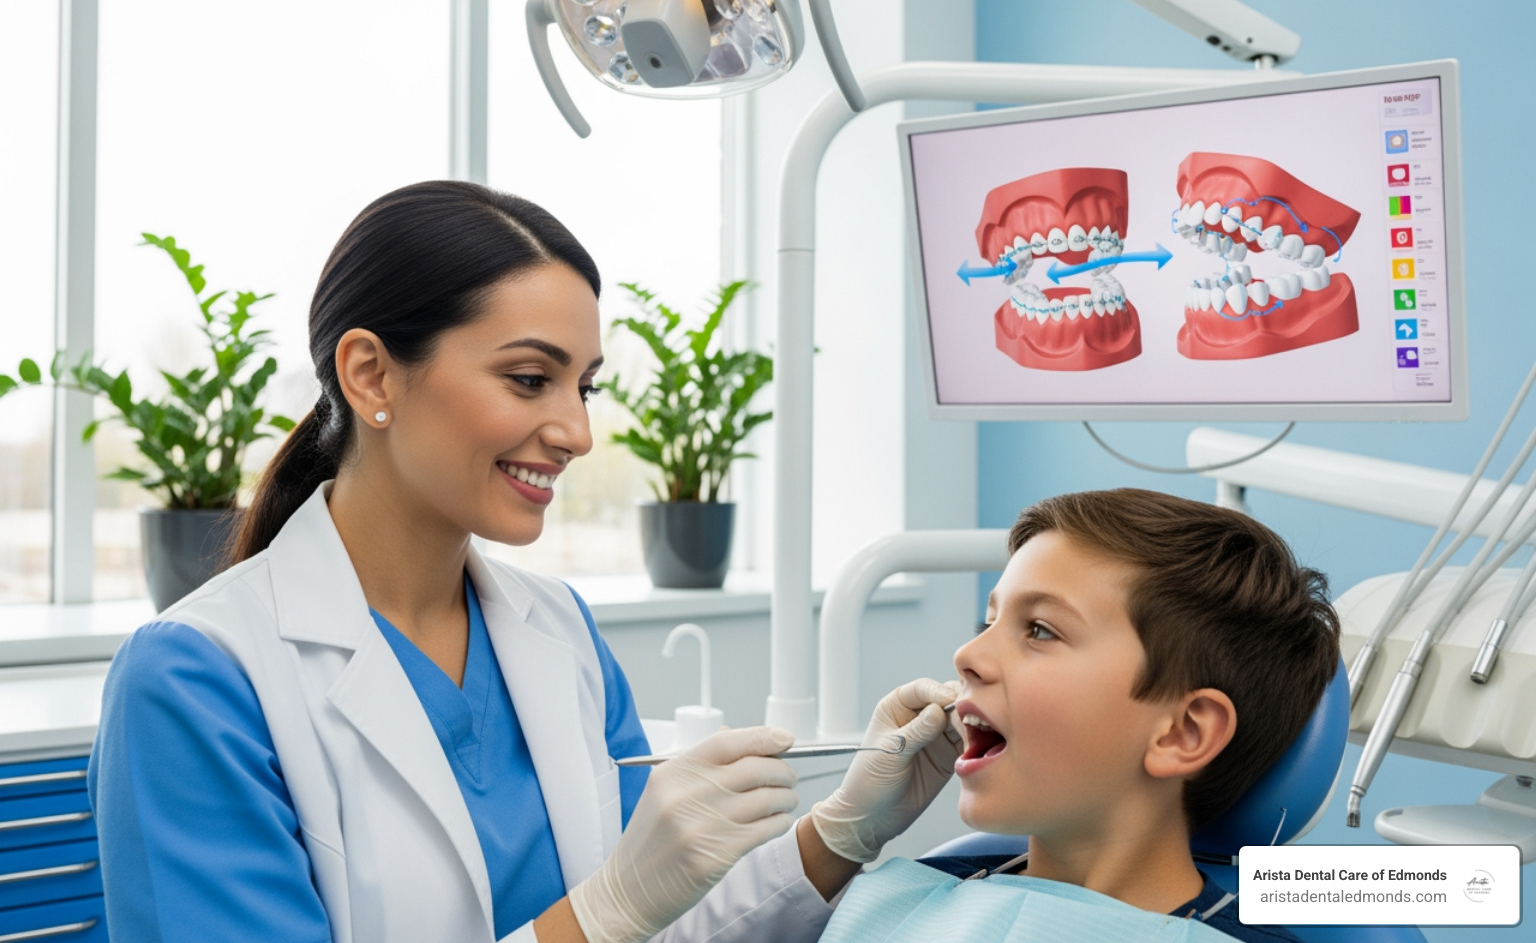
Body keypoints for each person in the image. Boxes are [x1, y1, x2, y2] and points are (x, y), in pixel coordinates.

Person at [87, 180, 961, 943]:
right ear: (371, 376)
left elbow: (664, 924)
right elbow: (619, 915)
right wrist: (601, 916)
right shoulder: (197, 679)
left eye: (584, 386)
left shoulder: (558, 631)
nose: (577, 433)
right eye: (529, 379)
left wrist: (841, 831)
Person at [816, 488, 1342, 943]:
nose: (967, 655)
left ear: (1182, 733)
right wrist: (834, 834)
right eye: (990, 619)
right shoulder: (906, 894)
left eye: (1040, 630)